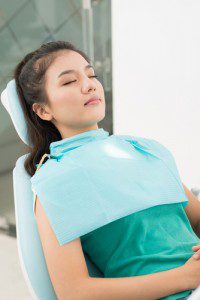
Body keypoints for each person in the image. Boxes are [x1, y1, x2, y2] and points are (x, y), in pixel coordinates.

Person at [13, 40, 200, 300]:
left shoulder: (144, 149)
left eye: (92, 75)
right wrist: (186, 276)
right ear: (43, 110)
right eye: (69, 82)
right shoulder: (55, 181)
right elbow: (74, 292)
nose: (89, 85)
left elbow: (196, 217)